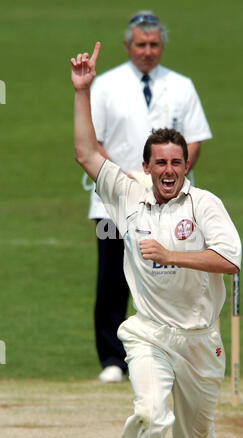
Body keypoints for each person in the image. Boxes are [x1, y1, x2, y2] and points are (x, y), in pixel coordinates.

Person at [71, 42, 242, 438]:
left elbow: (229, 261)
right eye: (160, 163)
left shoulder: (205, 204)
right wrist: (82, 91)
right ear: (146, 167)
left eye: (176, 163)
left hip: (200, 338)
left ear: (187, 166)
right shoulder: (128, 195)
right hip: (149, 333)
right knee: (149, 414)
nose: (169, 170)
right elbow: (85, 153)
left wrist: (171, 256)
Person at [86, 10, 213, 383]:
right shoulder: (105, 85)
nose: (147, 51)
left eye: (154, 44)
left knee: (171, 274)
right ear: (128, 45)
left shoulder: (182, 85)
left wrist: (168, 176)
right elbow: (94, 143)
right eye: (140, 44)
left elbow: (194, 139)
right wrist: (127, 182)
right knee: (112, 278)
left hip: (171, 200)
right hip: (115, 199)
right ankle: (112, 359)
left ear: (162, 46)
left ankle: (170, 352)